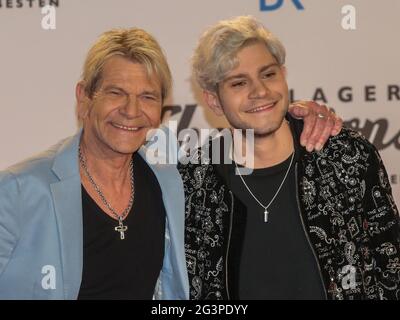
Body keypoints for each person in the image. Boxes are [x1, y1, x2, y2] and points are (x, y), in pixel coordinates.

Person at [0, 26, 340, 300]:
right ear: (85, 97)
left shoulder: (175, 178)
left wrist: (296, 114)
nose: (132, 111)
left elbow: (259, 135)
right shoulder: (18, 190)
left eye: (147, 96)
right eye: (116, 92)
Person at [181, 16, 400, 300]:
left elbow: (391, 263)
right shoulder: (192, 181)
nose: (260, 91)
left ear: (283, 74)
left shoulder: (348, 156)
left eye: (268, 74)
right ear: (213, 100)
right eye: (238, 83)